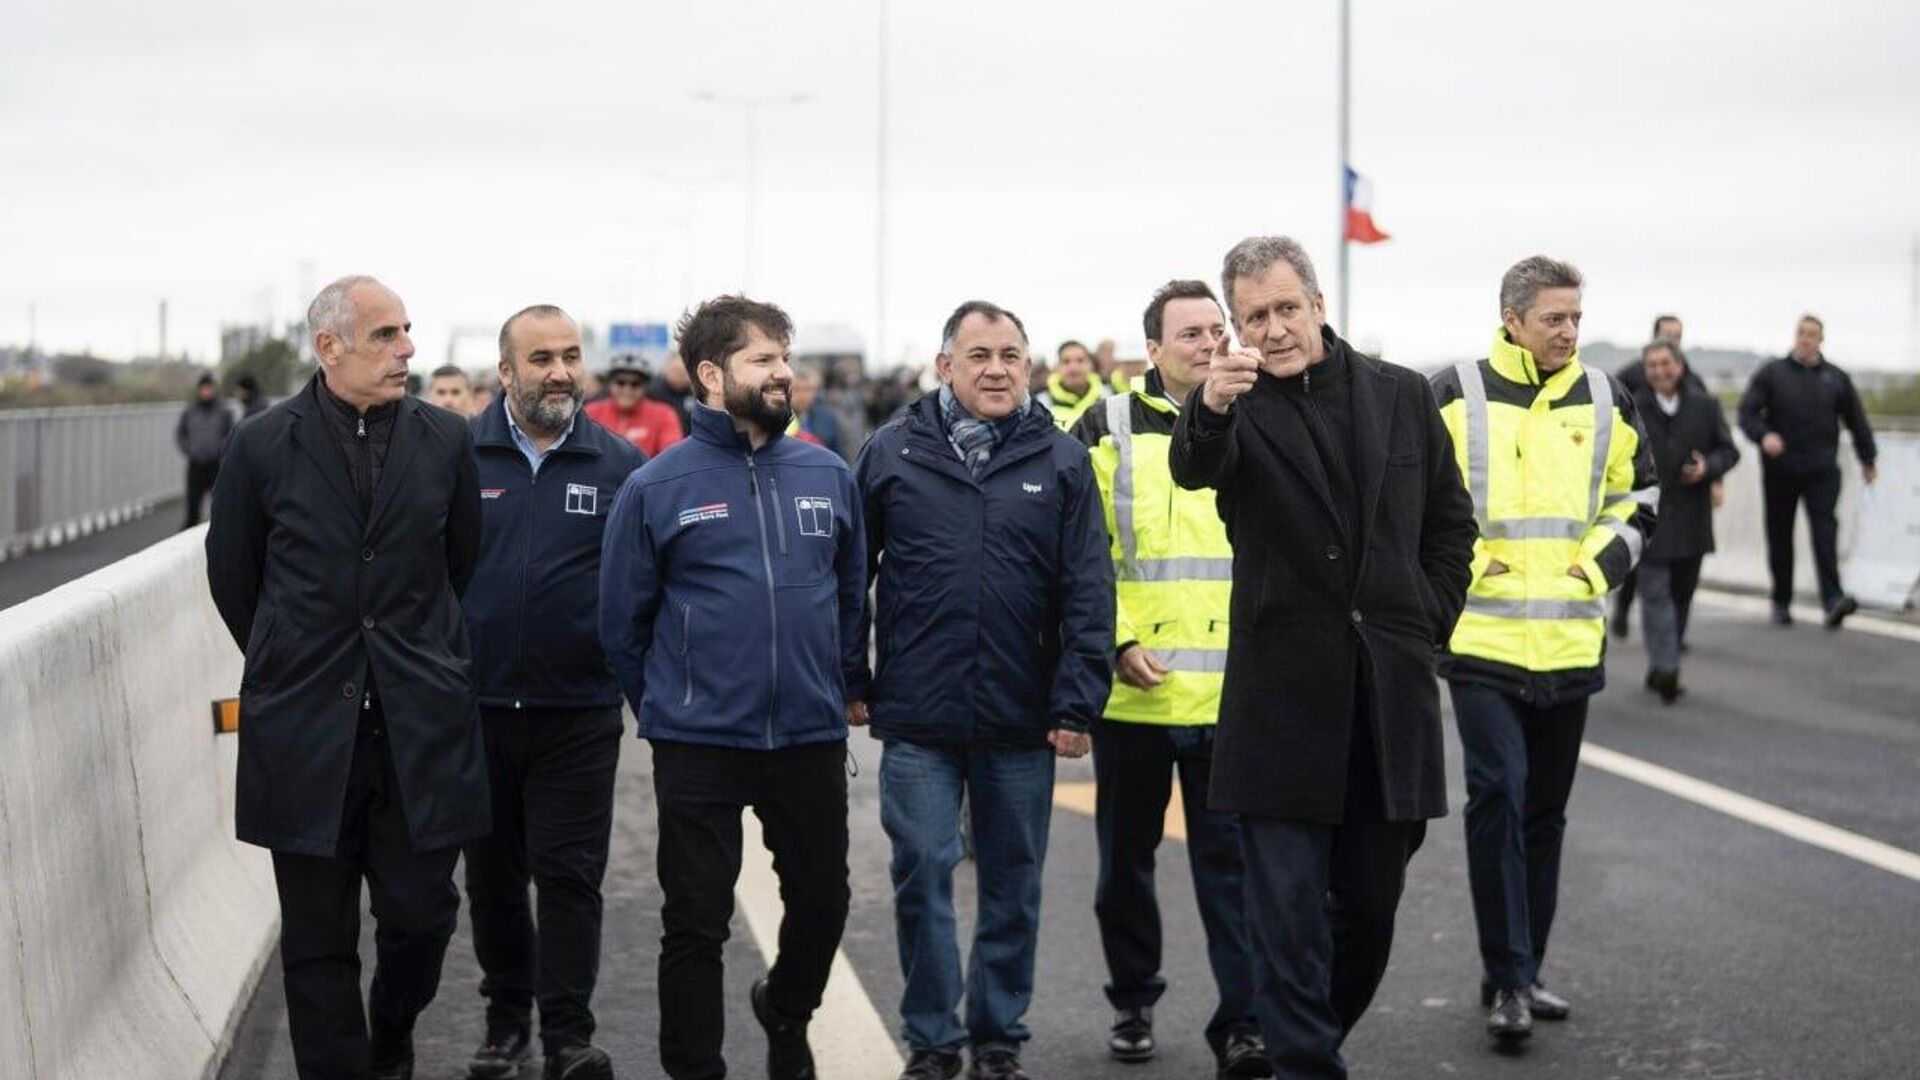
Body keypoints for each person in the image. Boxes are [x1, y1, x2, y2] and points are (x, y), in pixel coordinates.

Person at [1169, 238, 1476, 1079]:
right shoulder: (1231, 406)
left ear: (1318, 305)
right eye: (1254, 317)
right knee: (1287, 914)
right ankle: (1307, 1063)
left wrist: (1424, 621)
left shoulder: (1403, 395)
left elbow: (1451, 528)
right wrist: (1211, 407)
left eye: (1285, 309)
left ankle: (1294, 1037)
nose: (1272, 330)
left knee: (1371, 906)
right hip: (1280, 706)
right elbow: (1194, 466)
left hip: (1388, 700)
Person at [205, 275, 489, 1080]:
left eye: (407, 332)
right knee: (317, 943)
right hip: (303, 731)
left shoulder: (445, 440)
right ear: (329, 348)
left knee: (422, 917)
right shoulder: (260, 445)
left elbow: (459, 562)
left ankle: (392, 1031)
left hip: (417, 728)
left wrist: (417, 658)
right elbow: (236, 579)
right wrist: (298, 660)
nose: (407, 350)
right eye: (386, 336)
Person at [599, 295, 867, 1080]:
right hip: (700, 741)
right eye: (763, 360)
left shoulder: (826, 471)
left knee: (822, 905)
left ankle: (787, 1010)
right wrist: (668, 709)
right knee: (695, 923)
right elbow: (622, 621)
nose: (784, 372)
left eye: (785, 357)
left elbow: (852, 596)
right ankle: (696, 1070)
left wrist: (843, 682)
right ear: (712, 375)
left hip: (810, 737)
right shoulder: (657, 486)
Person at [856, 300, 1114, 1080]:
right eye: (979, 355)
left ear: (1027, 368)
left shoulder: (1061, 461)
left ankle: (998, 1035)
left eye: (1010, 355)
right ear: (945, 367)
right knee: (924, 871)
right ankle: (933, 1040)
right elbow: (846, 575)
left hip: (1020, 714)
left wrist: (1077, 701)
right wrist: (850, 677)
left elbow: (1088, 590)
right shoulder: (891, 452)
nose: (996, 368)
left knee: (1011, 884)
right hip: (918, 714)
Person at [1430, 256, 1657, 1045]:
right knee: (1497, 795)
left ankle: (1519, 973)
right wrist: (1460, 563)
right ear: (1512, 317)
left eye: (1576, 319)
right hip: (1480, 640)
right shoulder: (1453, 394)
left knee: (1544, 818)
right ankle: (1509, 980)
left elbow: (1641, 497)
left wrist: (1594, 566)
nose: (1569, 332)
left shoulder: (1605, 397)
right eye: (1554, 318)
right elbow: (1406, 496)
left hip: (1568, 639)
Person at [1068, 280, 1267, 1078]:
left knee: (1236, 875)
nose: (1207, 342)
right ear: (1151, 349)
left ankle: (1245, 1025)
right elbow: (1077, 552)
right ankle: (1133, 1003)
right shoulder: (1105, 426)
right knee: (1125, 867)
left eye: (1216, 328)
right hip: (1135, 696)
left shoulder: (1262, 415)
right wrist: (1113, 642)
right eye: (1189, 333)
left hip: (1233, 699)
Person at [461, 306, 644, 1080]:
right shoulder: (456, 456)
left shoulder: (620, 465)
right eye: (541, 359)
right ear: (506, 372)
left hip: (579, 711)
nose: (561, 371)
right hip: (474, 711)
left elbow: (645, 585)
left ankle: (570, 1035)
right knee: (494, 880)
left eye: (571, 355)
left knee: (571, 878)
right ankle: (508, 1023)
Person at [1737, 314, 1879, 628]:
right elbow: (1746, 414)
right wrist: (1764, 436)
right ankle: (1781, 600)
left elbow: (1857, 421)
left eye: (1812, 334)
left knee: (1825, 533)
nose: (1806, 339)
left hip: (1822, 470)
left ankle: (1833, 599)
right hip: (1780, 470)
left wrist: (1868, 459)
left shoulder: (1836, 378)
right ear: (1795, 336)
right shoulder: (1773, 373)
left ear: (1821, 340)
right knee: (1780, 535)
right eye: (1801, 333)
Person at [1633, 340, 1739, 702]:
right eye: (1652, 365)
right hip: (1649, 519)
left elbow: (1729, 450)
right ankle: (1667, 668)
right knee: (1655, 596)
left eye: (1665, 363)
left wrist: (1709, 468)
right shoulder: (1633, 407)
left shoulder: (1705, 407)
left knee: (1680, 598)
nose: (1659, 371)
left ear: (1679, 366)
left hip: (1692, 520)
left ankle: (1663, 662)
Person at [1608, 315, 1691, 637]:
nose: (1673, 339)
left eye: (1678, 335)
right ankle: (1623, 610)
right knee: (1635, 551)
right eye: (1667, 334)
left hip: (1677, 489)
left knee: (1660, 563)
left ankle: (1670, 633)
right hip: (1635, 477)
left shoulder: (1689, 379)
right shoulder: (1630, 376)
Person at [583, 355, 685, 458]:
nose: (627, 389)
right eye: (620, 383)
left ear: (645, 387)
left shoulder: (663, 414)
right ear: (610, 384)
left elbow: (672, 455)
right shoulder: (591, 412)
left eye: (635, 384)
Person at [177, 373, 234, 528]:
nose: (207, 391)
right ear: (199, 389)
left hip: (216, 466)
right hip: (195, 465)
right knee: (192, 509)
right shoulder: (190, 410)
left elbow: (231, 433)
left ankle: (222, 541)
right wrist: (190, 450)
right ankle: (184, 543)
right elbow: (181, 434)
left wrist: (220, 450)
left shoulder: (224, 410)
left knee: (220, 507)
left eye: (209, 388)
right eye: (204, 388)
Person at [1037, 338, 1105, 428]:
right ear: (1057, 366)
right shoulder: (1041, 404)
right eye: (1066, 362)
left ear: (1090, 364)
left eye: (1080, 360)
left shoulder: (1107, 398)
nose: (1073, 367)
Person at [789, 366, 843, 456]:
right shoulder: (778, 420)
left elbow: (837, 454)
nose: (802, 396)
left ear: (815, 391)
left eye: (807, 389)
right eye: (796, 389)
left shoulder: (827, 419)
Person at [647, 349, 699, 435]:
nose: (680, 376)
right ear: (667, 369)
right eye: (676, 371)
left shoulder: (698, 395)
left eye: (683, 372)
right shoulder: (652, 392)